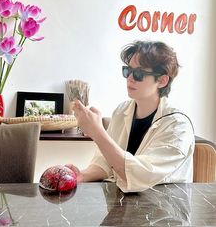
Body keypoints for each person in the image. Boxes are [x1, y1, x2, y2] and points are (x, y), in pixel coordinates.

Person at [67, 40, 195, 193]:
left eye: (139, 73)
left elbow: (140, 175)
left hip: (164, 208)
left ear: (162, 80)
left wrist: (97, 133)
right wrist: (82, 175)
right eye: (128, 71)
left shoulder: (178, 126)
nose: (130, 78)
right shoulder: (122, 110)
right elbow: (106, 161)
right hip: (122, 208)